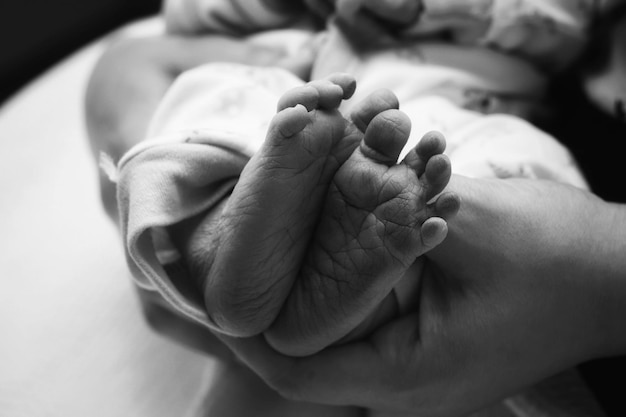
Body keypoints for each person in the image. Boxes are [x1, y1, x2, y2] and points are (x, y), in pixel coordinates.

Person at [85, 0, 626, 416]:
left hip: (460, 115)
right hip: (297, 85)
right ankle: (227, 243)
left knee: (523, 165)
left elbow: (567, 25)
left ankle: (349, 298)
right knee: (212, 97)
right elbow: (194, 17)